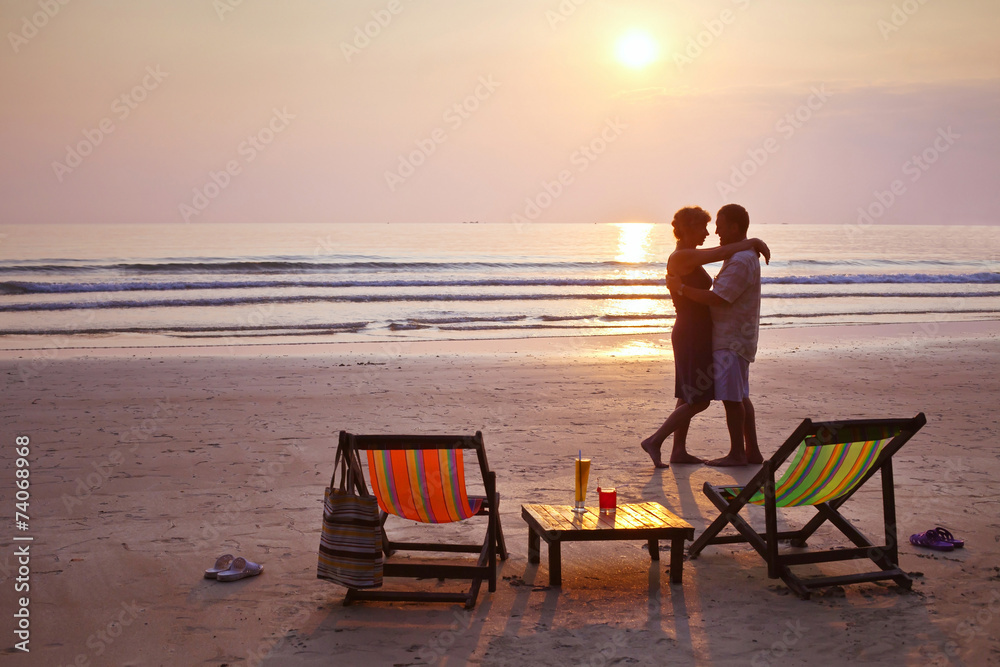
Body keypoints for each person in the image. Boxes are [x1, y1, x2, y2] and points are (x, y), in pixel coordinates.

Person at [641, 206, 769, 468]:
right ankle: (655, 441)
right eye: (703, 227)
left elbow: (721, 255)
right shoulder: (681, 257)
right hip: (691, 331)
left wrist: (749, 243)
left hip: (701, 330)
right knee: (698, 399)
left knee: (690, 393)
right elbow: (721, 253)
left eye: (714, 226)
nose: (710, 232)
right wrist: (752, 241)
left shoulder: (692, 256)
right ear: (688, 228)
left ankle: (678, 451)